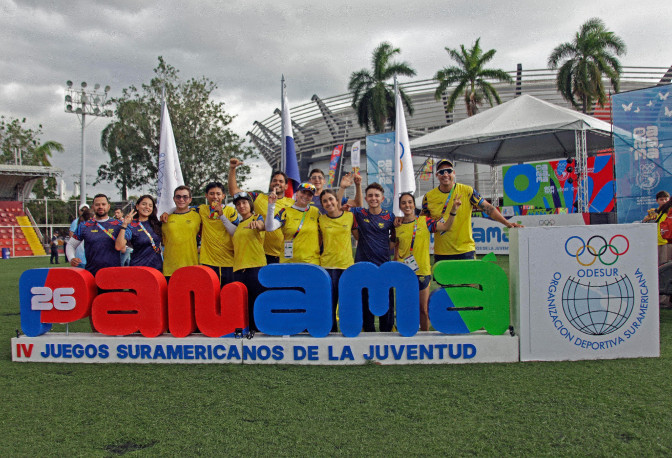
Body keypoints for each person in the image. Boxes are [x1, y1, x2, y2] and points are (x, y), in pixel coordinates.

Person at [421, 159, 522, 261]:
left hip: (465, 251)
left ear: (454, 173)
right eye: (441, 172)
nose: (445, 174)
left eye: (449, 171)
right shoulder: (428, 197)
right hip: (441, 252)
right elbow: (422, 222)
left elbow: (489, 209)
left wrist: (507, 223)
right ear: (437, 175)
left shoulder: (467, 191)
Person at [395, 192, 460, 331]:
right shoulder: (397, 225)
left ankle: (425, 336)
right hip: (403, 273)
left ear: (414, 205)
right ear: (400, 206)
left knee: (423, 309)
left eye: (409, 202)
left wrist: (454, 210)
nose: (407, 205)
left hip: (422, 271)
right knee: (406, 307)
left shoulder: (425, 221)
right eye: (403, 203)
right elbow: (394, 246)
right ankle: (406, 334)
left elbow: (446, 227)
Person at [348, 182, 396, 332]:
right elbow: (348, 204)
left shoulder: (390, 217)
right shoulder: (360, 213)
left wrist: (382, 249)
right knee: (365, 302)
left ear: (382, 198)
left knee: (386, 302)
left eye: (376, 195)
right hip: (364, 267)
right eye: (370, 196)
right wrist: (357, 185)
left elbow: (394, 239)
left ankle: (387, 332)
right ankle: (368, 333)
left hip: (384, 267)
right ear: (366, 198)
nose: (373, 198)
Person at [229, 157, 294, 264]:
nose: (277, 183)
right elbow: (234, 191)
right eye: (274, 180)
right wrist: (232, 169)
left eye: (281, 181)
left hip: (287, 254)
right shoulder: (258, 198)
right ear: (270, 184)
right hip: (264, 254)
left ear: (286, 186)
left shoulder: (292, 203)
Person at [220, 191, 266, 332]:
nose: (241, 206)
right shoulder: (239, 225)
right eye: (238, 204)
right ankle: (248, 332)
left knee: (257, 302)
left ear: (250, 204)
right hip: (239, 269)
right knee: (244, 304)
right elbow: (231, 229)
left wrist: (257, 224)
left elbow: (263, 226)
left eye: (244, 202)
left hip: (255, 267)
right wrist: (221, 215)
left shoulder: (257, 217)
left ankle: (260, 331)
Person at [318, 189, 355, 332]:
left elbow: (359, 236)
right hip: (327, 267)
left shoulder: (349, 216)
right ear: (322, 205)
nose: (328, 203)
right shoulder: (321, 220)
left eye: (330, 199)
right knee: (329, 304)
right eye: (325, 201)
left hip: (346, 267)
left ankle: (348, 333)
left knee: (347, 304)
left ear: (336, 200)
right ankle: (331, 333)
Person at [66, 194, 122, 276]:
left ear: (108, 206)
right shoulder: (84, 226)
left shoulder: (119, 225)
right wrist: (71, 258)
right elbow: (71, 244)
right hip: (92, 273)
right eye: (97, 205)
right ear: (92, 207)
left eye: (103, 204)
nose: (100, 207)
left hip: (114, 274)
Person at [265, 183, 321, 265]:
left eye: (309, 195)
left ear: (312, 197)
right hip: (289, 262)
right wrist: (271, 205)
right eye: (303, 192)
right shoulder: (285, 211)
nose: (305, 196)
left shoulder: (315, 212)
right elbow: (269, 228)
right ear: (297, 193)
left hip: (311, 262)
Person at [162, 185, 201, 282]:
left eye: (185, 197)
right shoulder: (165, 218)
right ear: (174, 199)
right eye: (178, 197)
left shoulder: (198, 216)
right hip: (170, 269)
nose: (181, 199)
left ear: (190, 199)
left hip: (191, 267)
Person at [115, 195, 163, 271]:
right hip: (139, 269)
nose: (147, 207)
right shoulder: (131, 225)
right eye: (144, 204)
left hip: (157, 269)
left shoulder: (156, 224)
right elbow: (119, 246)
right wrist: (124, 225)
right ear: (137, 206)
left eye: (150, 206)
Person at [643, 190, 671, 265]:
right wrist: (645, 220)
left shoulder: (670, 212)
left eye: (666, 199)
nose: (664, 201)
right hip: (655, 242)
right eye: (661, 199)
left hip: (666, 242)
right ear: (657, 201)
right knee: (656, 265)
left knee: (665, 265)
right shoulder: (654, 212)